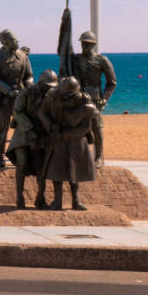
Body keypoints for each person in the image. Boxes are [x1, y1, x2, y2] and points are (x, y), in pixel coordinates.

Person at [41, 75, 99, 211]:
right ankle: (57, 200)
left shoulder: (84, 102)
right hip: (57, 139)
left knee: (75, 172)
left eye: (69, 95)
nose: (65, 96)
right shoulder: (52, 96)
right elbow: (42, 112)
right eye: (63, 93)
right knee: (57, 170)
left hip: (75, 140)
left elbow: (86, 127)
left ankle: (76, 200)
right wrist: (50, 126)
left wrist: (64, 134)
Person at [7, 69, 57, 209]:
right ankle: (19, 195)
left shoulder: (52, 95)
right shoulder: (27, 92)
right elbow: (17, 111)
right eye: (47, 86)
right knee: (21, 163)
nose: (49, 89)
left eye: (52, 86)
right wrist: (28, 129)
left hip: (41, 135)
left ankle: (40, 198)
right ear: (40, 83)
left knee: (41, 167)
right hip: (24, 132)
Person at [0, 29, 32, 170]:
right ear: (5, 42)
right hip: (2, 100)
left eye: (16, 39)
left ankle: (23, 157)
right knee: (2, 129)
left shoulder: (23, 57)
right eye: (13, 40)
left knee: (24, 126)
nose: (16, 41)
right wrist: (8, 90)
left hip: (20, 99)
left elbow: (29, 75)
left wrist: (28, 86)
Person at [69, 30, 119, 164]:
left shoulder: (102, 60)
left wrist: (104, 98)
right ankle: (80, 155)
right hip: (79, 96)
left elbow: (112, 82)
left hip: (95, 96)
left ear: (93, 45)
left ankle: (98, 156)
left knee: (97, 127)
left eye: (87, 44)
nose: (84, 46)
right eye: (83, 43)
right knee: (78, 126)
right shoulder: (76, 59)